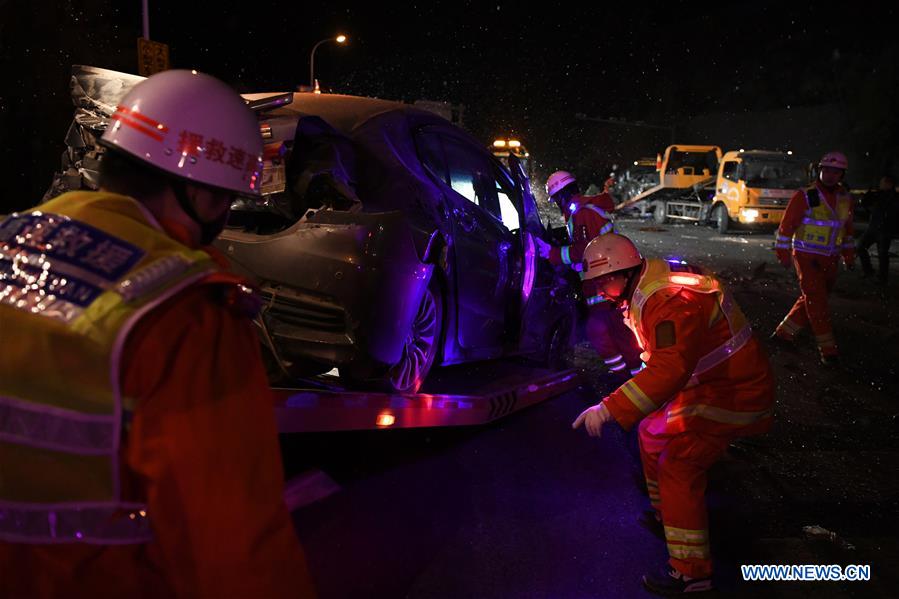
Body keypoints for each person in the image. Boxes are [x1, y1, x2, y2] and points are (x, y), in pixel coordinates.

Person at [0, 70, 316, 598]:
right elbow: (233, 545)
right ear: (200, 191)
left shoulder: (10, 241)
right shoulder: (184, 309)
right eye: (226, 199)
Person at [572, 234, 774, 595]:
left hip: (733, 393)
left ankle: (691, 573)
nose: (601, 291)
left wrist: (609, 408)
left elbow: (670, 367)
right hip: (710, 386)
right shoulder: (648, 286)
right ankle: (669, 514)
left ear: (625, 272)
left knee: (678, 464)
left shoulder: (667, 300)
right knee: (651, 430)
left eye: (604, 282)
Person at [537, 170, 642, 378]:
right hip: (606, 282)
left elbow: (586, 249)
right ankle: (627, 377)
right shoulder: (583, 211)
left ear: (561, 195)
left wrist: (553, 253)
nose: (557, 203)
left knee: (609, 333)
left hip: (607, 284)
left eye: (556, 198)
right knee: (605, 333)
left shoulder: (583, 213)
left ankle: (633, 379)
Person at [772, 151, 855, 367]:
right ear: (819, 170)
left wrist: (849, 254)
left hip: (830, 259)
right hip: (807, 256)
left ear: (842, 174)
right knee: (817, 301)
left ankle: (784, 334)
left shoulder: (845, 198)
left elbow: (846, 229)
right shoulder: (807, 195)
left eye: (835, 172)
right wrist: (782, 253)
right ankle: (828, 350)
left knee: (814, 298)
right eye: (826, 170)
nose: (830, 175)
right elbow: (787, 225)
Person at [857, 175, 897, 285]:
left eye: (883, 183)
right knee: (860, 247)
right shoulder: (878, 194)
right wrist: (868, 195)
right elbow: (865, 204)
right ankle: (869, 271)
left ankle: (882, 278)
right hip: (873, 227)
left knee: (883, 254)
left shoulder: (893, 197)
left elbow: (893, 213)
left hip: (885, 229)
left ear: (889, 184)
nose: (881, 185)